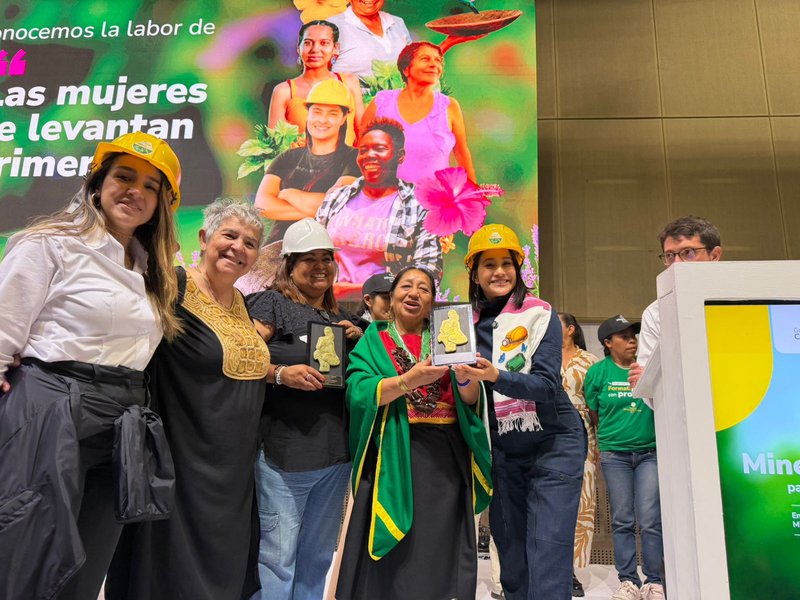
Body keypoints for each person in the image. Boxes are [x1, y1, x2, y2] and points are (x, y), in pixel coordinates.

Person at [0, 132, 182, 600]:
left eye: (150, 185)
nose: (135, 191)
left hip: (122, 422)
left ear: (162, 203)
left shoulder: (149, 269)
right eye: (123, 176)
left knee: (88, 567)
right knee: (30, 559)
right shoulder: (49, 244)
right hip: (51, 408)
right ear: (97, 183)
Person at [105, 199, 271, 600]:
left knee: (223, 567)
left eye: (250, 243)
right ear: (204, 237)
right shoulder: (171, 286)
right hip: (181, 460)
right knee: (171, 570)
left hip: (232, 470)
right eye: (229, 235)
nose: (238, 248)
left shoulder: (241, 304)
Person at [336, 266, 492, 600]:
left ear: (432, 301)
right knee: (393, 557)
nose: (413, 293)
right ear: (390, 297)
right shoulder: (374, 339)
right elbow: (358, 391)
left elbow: (468, 400)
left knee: (438, 544)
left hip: (445, 457)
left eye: (423, 288)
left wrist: (467, 377)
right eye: (406, 286)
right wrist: (408, 381)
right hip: (392, 452)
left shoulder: (449, 336)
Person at [451, 223, 586, 600]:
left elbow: (545, 387)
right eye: (488, 265)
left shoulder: (539, 314)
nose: (499, 272)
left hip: (554, 443)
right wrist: (465, 380)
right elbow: (469, 397)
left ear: (518, 268)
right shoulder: (462, 325)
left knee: (546, 548)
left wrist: (496, 375)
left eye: (506, 263)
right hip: (504, 451)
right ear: (474, 274)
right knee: (509, 552)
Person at [246, 218, 362, 600]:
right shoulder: (270, 304)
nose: (320, 266)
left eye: (327, 258)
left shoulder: (338, 320)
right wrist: (280, 374)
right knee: (278, 561)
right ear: (289, 266)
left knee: (316, 561)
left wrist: (360, 342)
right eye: (308, 259)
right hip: (282, 458)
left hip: (334, 459)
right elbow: (238, 357)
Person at [585, 315, 664, 600]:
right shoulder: (598, 373)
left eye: (634, 334)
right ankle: (628, 580)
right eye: (623, 336)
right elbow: (594, 413)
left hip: (650, 453)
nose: (632, 340)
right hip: (614, 455)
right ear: (607, 343)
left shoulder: (650, 367)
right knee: (622, 519)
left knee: (650, 519)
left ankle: (655, 581)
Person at [316, 118, 441, 289]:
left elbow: (429, 272)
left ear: (400, 156)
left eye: (380, 149)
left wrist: (356, 291)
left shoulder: (418, 206)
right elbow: (311, 255)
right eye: (363, 150)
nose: (369, 155)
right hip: (330, 309)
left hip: (388, 310)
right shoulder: (337, 199)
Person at [256, 78, 360, 245]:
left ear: (343, 118)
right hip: (278, 247)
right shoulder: (288, 157)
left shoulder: (354, 158)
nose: (322, 120)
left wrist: (288, 194)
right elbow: (262, 205)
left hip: (326, 250)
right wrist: (318, 209)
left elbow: (339, 204)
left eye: (332, 114)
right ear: (308, 113)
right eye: (317, 112)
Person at [628, 216, 722, 390]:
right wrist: (647, 382)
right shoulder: (655, 313)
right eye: (670, 256)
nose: (676, 264)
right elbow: (649, 390)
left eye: (688, 252)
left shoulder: (744, 301)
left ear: (715, 255)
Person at [362, 41, 476, 185]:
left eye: (438, 61)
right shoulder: (381, 102)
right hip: (384, 198)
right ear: (406, 69)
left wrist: (473, 195)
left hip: (434, 201)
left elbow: (461, 153)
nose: (434, 65)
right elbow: (360, 149)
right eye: (425, 59)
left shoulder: (449, 106)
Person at [268, 20, 363, 146]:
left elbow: (363, 134)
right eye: (308, 43)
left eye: (324, 43)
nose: (315, 49)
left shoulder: (349, 83)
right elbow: (275, 145)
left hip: (349, 164)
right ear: (298, 47)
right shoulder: (284, 91)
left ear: (335, 48)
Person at [558, 312, 600, 598]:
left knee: (580, 504)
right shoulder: (540, 356)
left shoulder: (590, 362)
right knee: (553, 505)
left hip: (582, 436)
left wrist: (597, 446)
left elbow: (596, 406)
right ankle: (552, 567)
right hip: (548, 436)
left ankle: (570, 570)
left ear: (571, 329)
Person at [328, 0, 412, 78]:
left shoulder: (397, 22)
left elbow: (413, 64)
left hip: (402, 93)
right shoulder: (332, 26)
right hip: (351, 93)